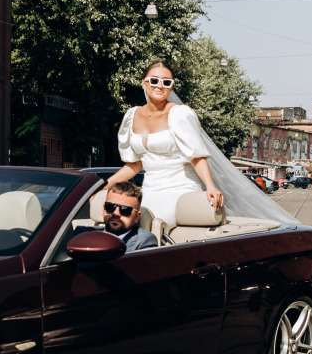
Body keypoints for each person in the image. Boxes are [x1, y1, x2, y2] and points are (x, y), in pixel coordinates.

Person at [92, 61, 225, 230]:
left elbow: (196, 156)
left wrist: (210, 185)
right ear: (143, 83)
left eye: (166, 82)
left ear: (171, 86)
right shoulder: (132, 115)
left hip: (180, 188)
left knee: (146, 224)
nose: (160, 86)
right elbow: (135, 164)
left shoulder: (179, 114)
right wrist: (106, 186)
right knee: (120, 221)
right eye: (154, 80)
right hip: (148, 190)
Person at [100, 181, 158, 252]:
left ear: (137, 216)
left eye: (125, 210)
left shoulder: (144, 241)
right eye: (110, 207)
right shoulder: (87, 234)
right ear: (103, 209)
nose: (116, 213)